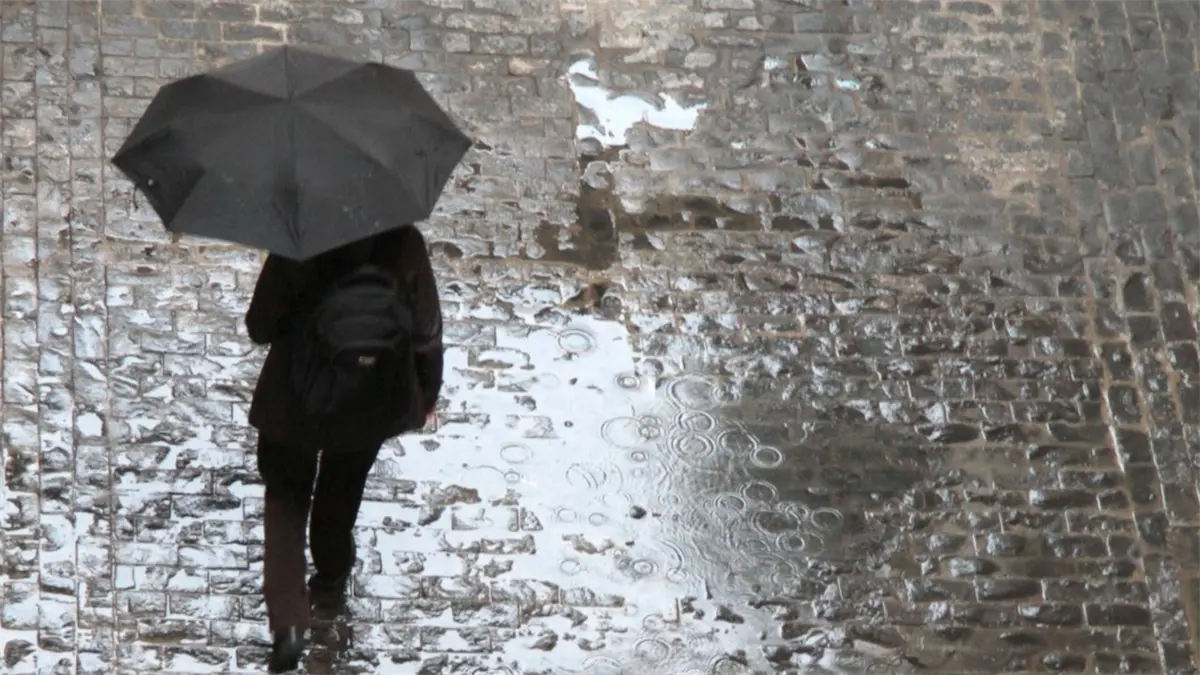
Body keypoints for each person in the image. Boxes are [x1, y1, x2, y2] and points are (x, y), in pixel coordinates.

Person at [244, 226, 443, 673]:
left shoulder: (299, 233)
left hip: (295, 399)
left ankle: (289, 623)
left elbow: (259, 326)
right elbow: (426, 330)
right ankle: (330, 584)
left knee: (285, 499)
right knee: (342, 490)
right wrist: (426, 392)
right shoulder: (403, 241)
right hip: (368, 400)